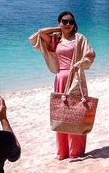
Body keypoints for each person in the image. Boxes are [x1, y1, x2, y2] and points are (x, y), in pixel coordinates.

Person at [29, 11, 96, 160]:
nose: (68, 24)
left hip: (75, 78)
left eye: (71, 22)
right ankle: (63, 152)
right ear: (59, 23)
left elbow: (90, 54)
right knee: (62, 114)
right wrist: (58, 29)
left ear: (75, 24)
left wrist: (79, 64)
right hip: (60, 78)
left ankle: (76, 152)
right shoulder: (56, 40)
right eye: (64, 21)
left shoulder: (79, 38)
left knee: (76, 113)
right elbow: (39, 33)